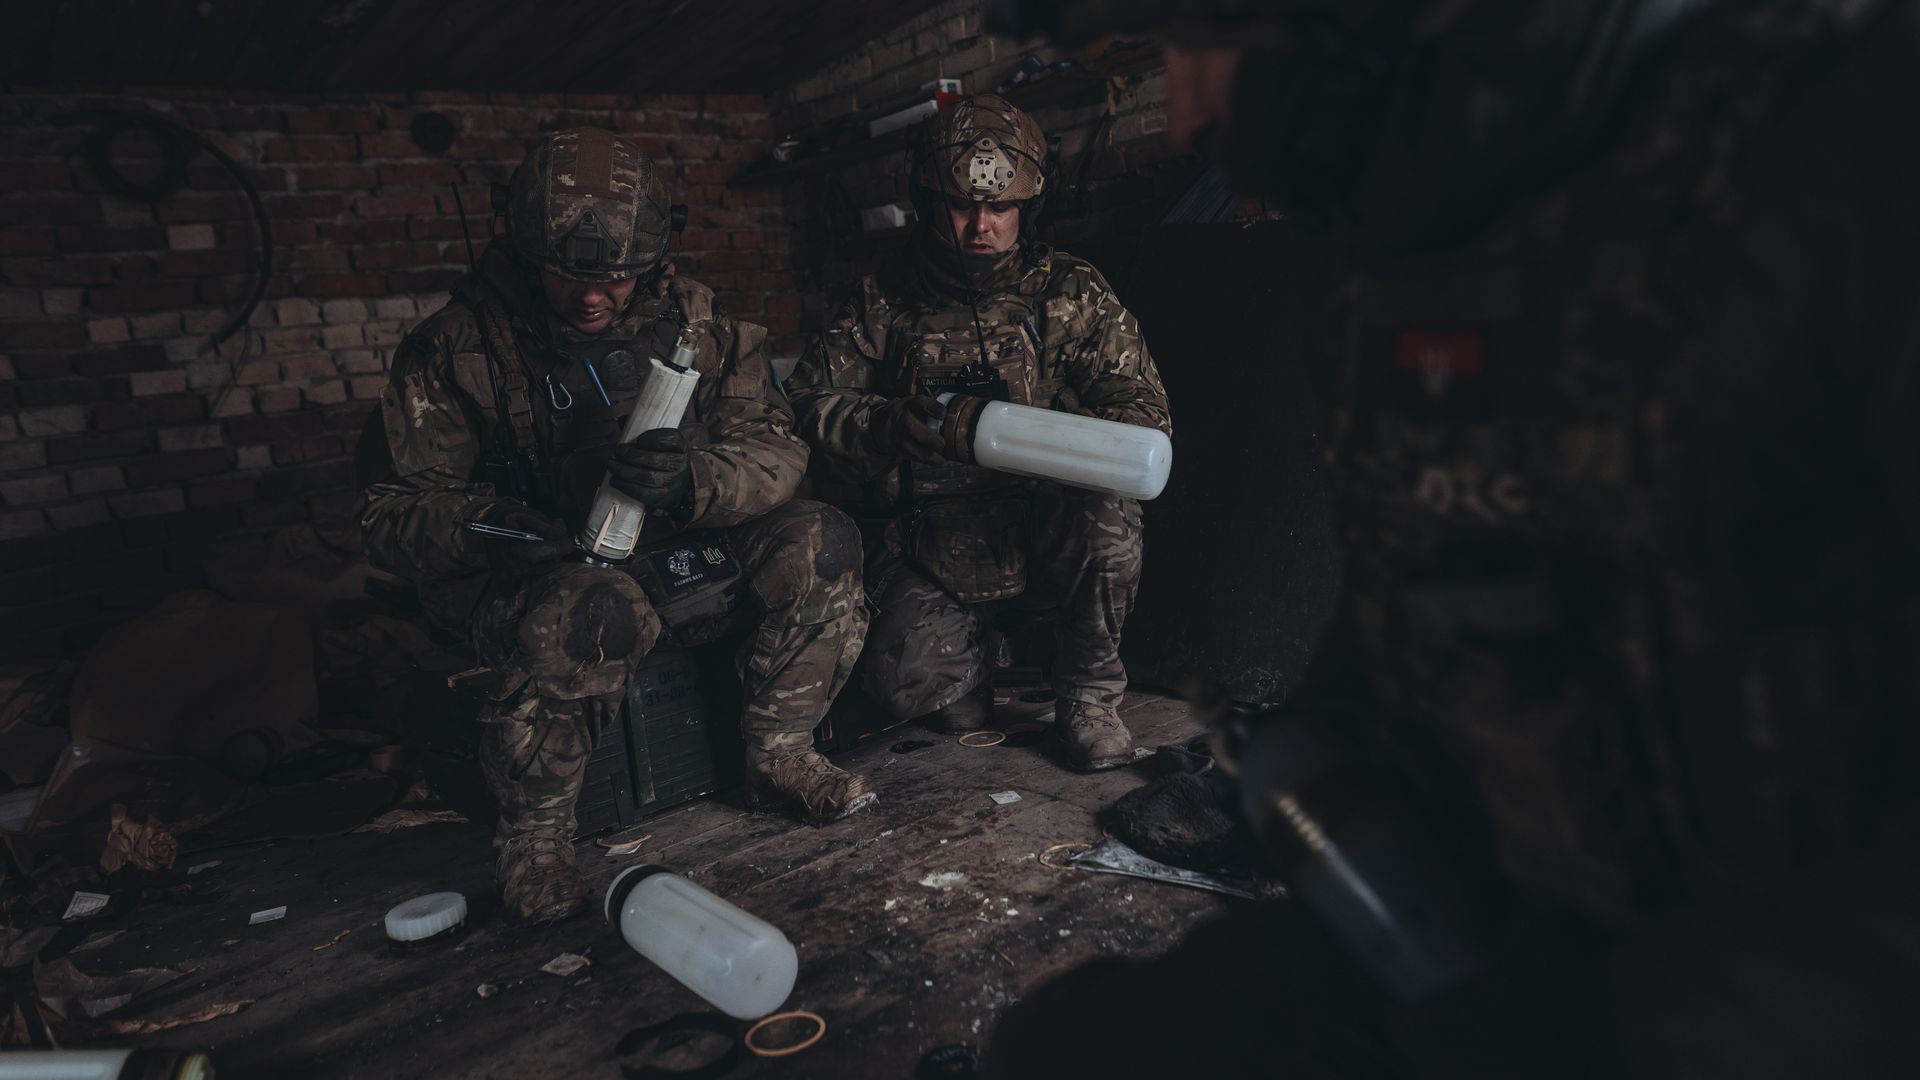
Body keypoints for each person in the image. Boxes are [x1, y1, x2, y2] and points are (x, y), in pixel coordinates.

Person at [981, 0, 1920, 1075]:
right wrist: (1328, 742)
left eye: (1210, 39)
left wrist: (1600, 1018)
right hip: (1494, 921)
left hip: (1764, 986)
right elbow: (1451, 571)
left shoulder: (1848, 138)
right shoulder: (1417, 237)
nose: (1187, 114)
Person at [359, 128, 874, 926]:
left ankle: (781, 756)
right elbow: (389, 514)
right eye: (570, 276)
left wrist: (694, 482)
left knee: (822, 539)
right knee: (595, 613)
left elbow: (777, 449)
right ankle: (535, 841)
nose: (595, 298)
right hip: (544, 577)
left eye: (619, 278)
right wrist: (487, 525)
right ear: (528, 250)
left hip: (674, 545)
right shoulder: (457, 350)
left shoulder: (697, 324)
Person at [785, 95, 1172, 771]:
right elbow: (808, 403)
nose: (981, 225)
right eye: (962, 207)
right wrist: (882, 424)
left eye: (1000, 208)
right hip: (932, 536)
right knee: (920, 689)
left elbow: (1144, 411)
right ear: (928, 203)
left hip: (1047, 523)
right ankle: (986, 658)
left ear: (1029, 205)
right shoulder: (884, 300)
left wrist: (1074, 437)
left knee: (1109, 520)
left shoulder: (1071, 293)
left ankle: (1087, 699)